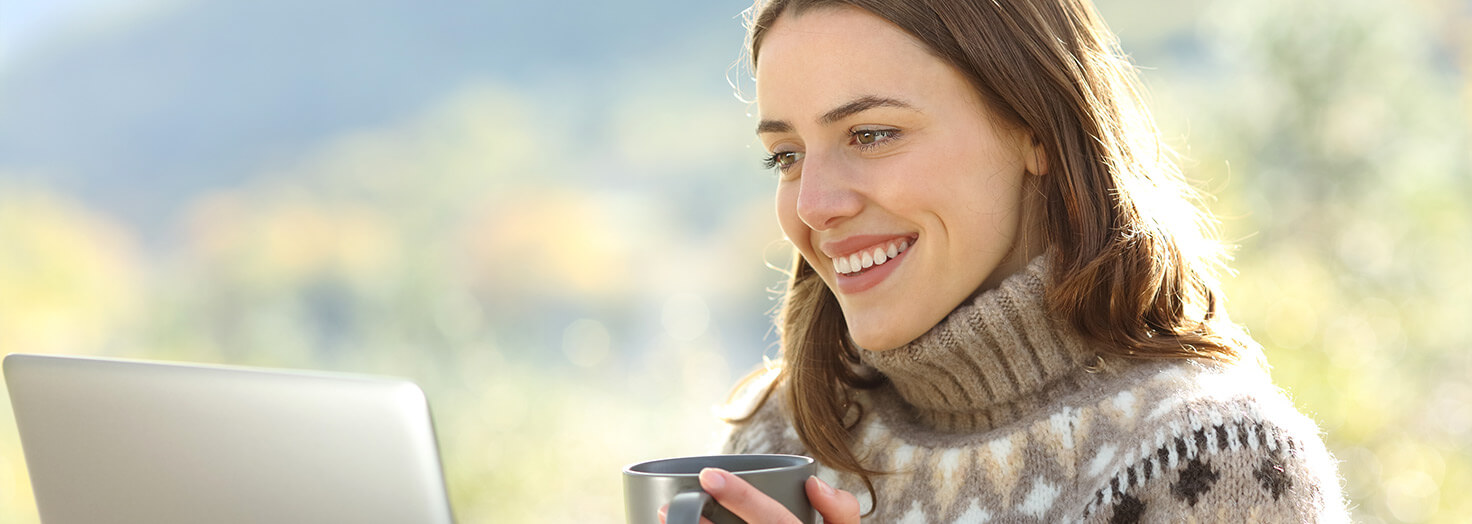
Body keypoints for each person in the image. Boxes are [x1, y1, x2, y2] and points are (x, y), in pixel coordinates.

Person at [661, 0, 1349, 522]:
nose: (813, 204)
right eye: (787, 156)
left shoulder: (1218, 460)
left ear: (1035, 131)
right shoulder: (786, 437)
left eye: (871, 135)